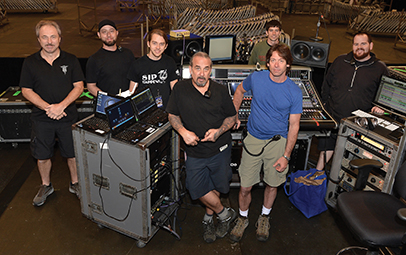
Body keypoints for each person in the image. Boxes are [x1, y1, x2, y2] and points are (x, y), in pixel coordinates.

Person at [230, 44, 302, 242]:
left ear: (288, 64)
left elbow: (294, 126)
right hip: (253, 139)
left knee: (272, 184)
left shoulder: (294, 92)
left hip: (278, 143)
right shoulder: (257, 78)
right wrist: (234, 114)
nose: (276, 64)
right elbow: (239, 91)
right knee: (245, 186)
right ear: (267, 62)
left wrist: (286, 156)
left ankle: (264, 216)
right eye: (273, 60)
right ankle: (243, 218)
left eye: (281, 60)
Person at [166, 52, 237, 243]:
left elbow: (232, 118)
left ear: (210, 71)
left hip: (220, 149)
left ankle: (208, 219)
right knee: (195, 188)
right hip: (195, 151)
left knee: (217, 186)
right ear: (190, 69)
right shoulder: (180, 89)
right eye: (197, 68)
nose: (201, 73)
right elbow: (172, 115)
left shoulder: (220, 90)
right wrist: (183, 131)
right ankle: (224, 214)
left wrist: (218, 131)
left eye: (206, 69)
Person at [20, 20, 85, 206]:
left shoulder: (71, 60)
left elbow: (79, 86)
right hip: (42, 119)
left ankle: (75, 183)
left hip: (67, 116)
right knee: (42, 155)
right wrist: (49, 108)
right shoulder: (30, 62)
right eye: (44, 37)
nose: (49, 41)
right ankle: (46, 185)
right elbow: (26, 90)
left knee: (72, 153)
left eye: (53, 37)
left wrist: (61, 106)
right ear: (38, 40)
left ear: (60, 38)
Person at [316, 31, 389, 170]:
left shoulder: (380, 69)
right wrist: (325, 105)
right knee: (324, 152)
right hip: (333, 117)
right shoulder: (340, 61)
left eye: (363, 43)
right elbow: (326, 85)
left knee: (349, 159)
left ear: (371, 45)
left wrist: (379, 108)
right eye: (356, 44)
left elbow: (383, 97)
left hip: (357, 124)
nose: (359, 47)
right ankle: (316, 177)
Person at [128, 29, 179, 109]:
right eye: (154, 43)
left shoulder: (170, 62)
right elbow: (131, 92)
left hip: (165, 110)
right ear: (148, 44)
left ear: (166, 46)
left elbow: (175, 90)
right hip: (145, 111)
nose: (158, 47)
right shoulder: (137, 64)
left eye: (161, 44)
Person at [86, 19, 135, 97]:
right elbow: (91, 86)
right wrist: (108, 99)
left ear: (117, 33)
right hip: (107, 105)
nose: (108, 35)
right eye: (104, 32)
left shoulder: (128, 54)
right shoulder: (94, 59)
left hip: (127, 102)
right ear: (99, 35)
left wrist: (130, 94)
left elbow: (134, 77)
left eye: (111, 31)